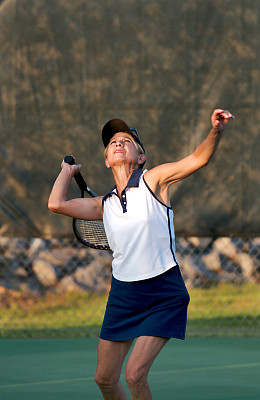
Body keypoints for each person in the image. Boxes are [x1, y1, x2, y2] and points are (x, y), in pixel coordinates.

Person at [48, 108, 234, 400]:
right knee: (105, 379)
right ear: (107, 159)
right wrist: (66, 171)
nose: (118, 143)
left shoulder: (154, 181)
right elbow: (56, 204)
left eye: (126, 141)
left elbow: (198, 158)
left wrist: (216, 131)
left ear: (141, 157)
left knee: (134, 375)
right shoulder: (102, 205)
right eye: (112, 143)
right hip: (123, 295)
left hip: (163, 292)